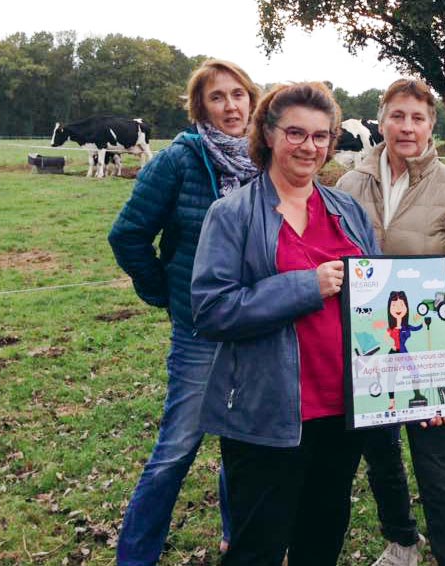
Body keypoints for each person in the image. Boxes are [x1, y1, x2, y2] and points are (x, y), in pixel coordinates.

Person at [191, 82, 380, 566]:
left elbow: (379, 304)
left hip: (341, 412)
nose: (309, 146)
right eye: (296, 132)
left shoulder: (348, 211)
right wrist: (303, 288)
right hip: (266, 414)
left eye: (321, 136)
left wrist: (416, 382)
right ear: (269, 135)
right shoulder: (231, 214)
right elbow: (211, 309)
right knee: (258, 546)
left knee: (322, 538)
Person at [108, 58, 260, 563]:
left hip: (258, 323)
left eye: (237, 94)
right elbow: (127, 234)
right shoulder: (180, 159)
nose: (230, 106)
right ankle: (136, 554)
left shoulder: (266, 157)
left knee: (243, 444)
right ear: (201, 107)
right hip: (200, 327)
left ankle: (236, 535)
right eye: (217, 97)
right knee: (177, 447)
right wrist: (166, 293)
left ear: (252, 99)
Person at [337, 78, 445, 566]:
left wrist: (424, 337)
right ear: (381, 119)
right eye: (397, 116)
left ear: (430, 126)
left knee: (435, 466)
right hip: (369, 354)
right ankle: (402, 540)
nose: (406, 127)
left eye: (417, 118)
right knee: (380, 458)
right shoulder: (350, 183)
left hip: (427, 356)